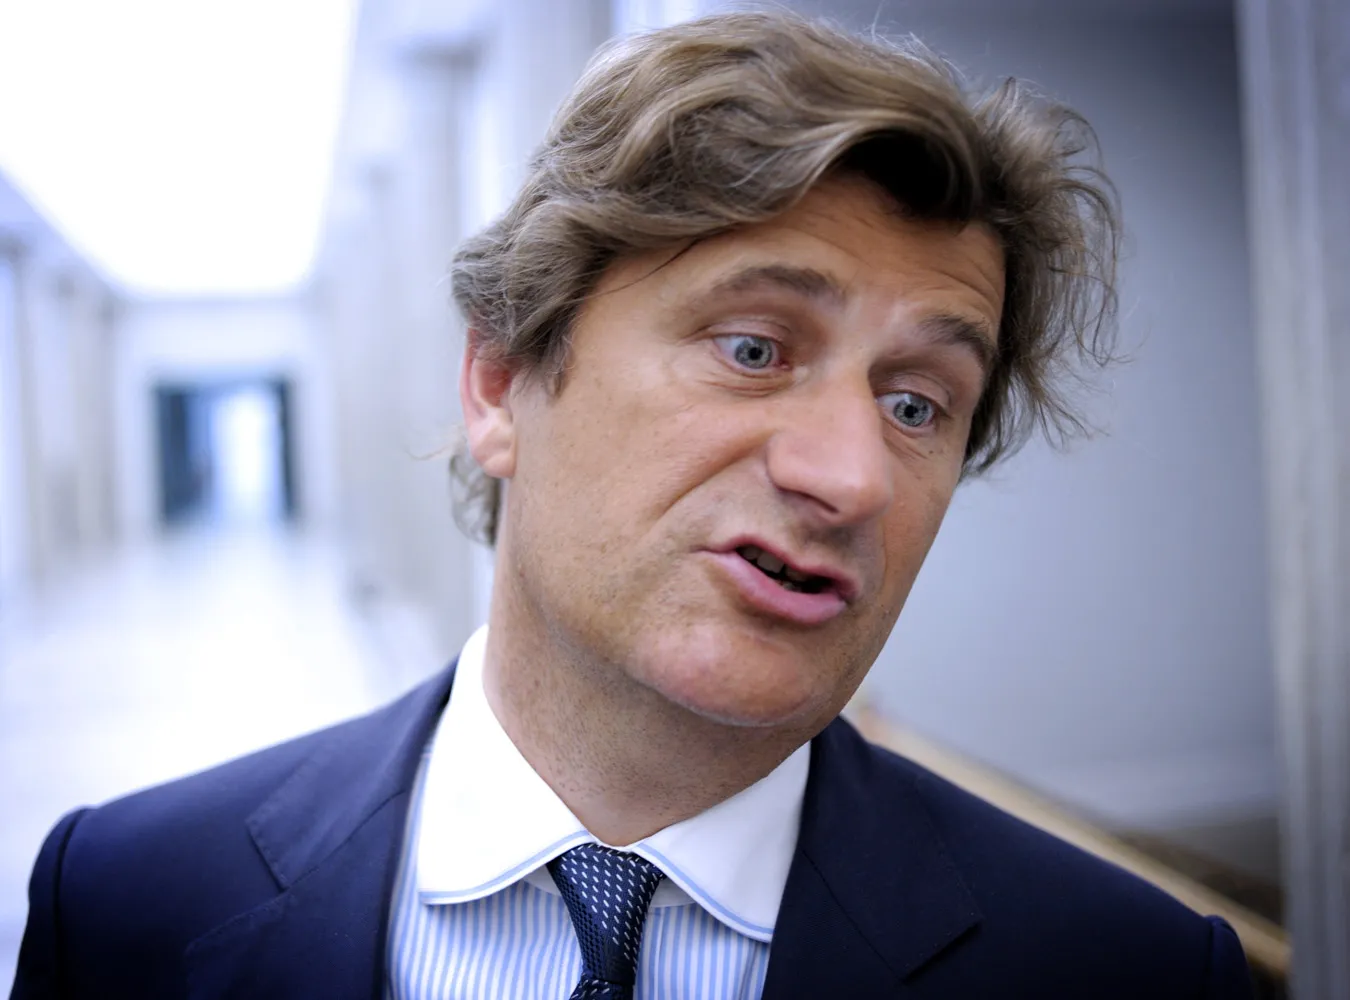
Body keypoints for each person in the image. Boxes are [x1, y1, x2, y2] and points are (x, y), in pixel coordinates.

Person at [12, 10, 1255, 1000]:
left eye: (917, 403)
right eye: (753, 349)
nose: (852, 476)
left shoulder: (1131, 971)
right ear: (500, 383)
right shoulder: (125, 900)